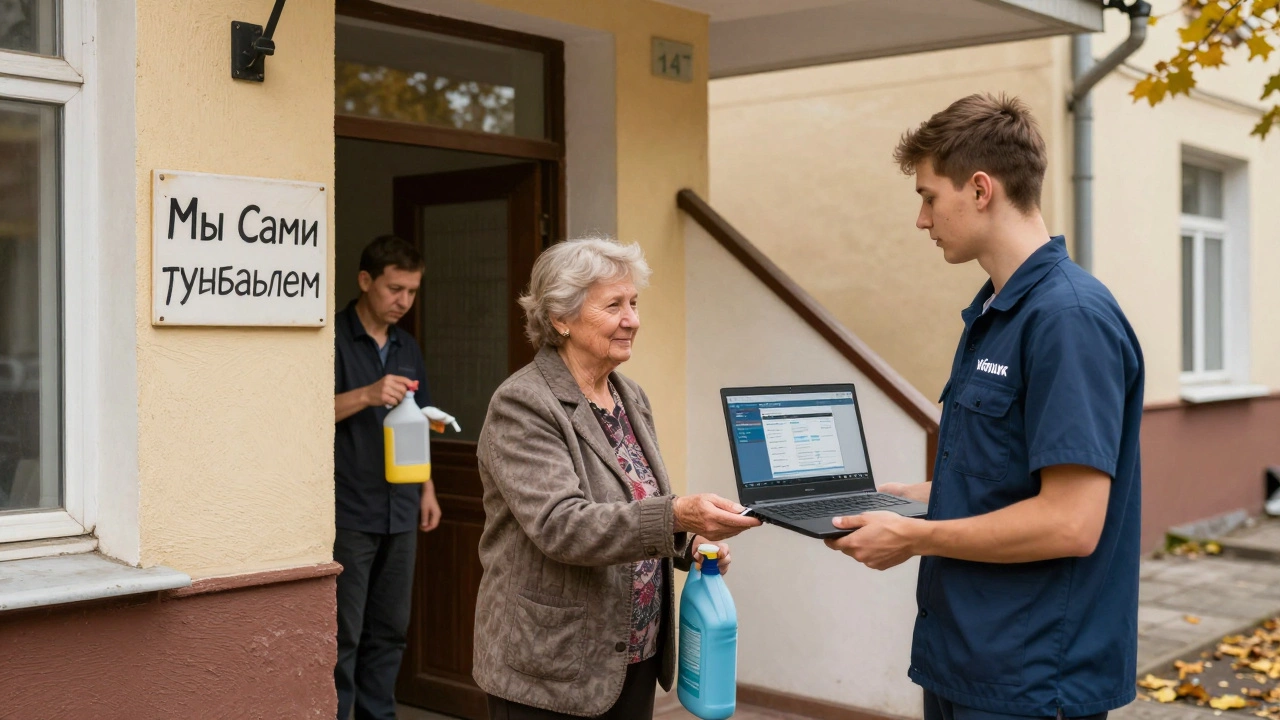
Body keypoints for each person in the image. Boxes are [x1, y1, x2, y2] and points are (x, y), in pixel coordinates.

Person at [826, 94, 1145, 720]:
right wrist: (910, 497)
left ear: (979, 189)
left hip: (1030, 682)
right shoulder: (998, 312)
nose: (921, 219)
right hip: (965, 663)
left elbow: (1070, 523)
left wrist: (916, 536)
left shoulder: (1067, 320)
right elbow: (1006, 477)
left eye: (927, 196)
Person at [473, 237, 761, 719]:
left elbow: (630, 504)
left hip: (633, 655)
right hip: (552, 666)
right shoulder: (523, 404)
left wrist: (688, 544)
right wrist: (675, 514)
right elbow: (562, 526)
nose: (633, 319)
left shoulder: (629, 395)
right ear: (561, 319)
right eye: (614, 306)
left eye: (634, 303)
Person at [332, 235, 442, 720]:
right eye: (395, 289)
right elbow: (300, 415)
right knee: (344, 633)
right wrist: (368, 394)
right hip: (350, 507)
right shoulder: (330, 338)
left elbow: (418, 421)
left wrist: (428, 490)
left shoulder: (407, 346)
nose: (403, 302)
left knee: (391, 630)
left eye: (412, 292)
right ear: (365, 281)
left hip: (401, 506)